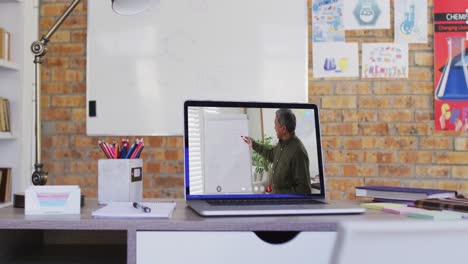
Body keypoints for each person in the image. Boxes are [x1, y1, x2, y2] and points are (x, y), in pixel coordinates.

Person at [242, 109, 312, 195]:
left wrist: (277, 193)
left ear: (283, 129)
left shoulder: (298, 152)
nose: (274, 127)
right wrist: (253, 144)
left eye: (276, 124)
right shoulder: (282, 143)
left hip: (286, 206)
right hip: (276, 200)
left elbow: (304, 190)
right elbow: (271, 154)